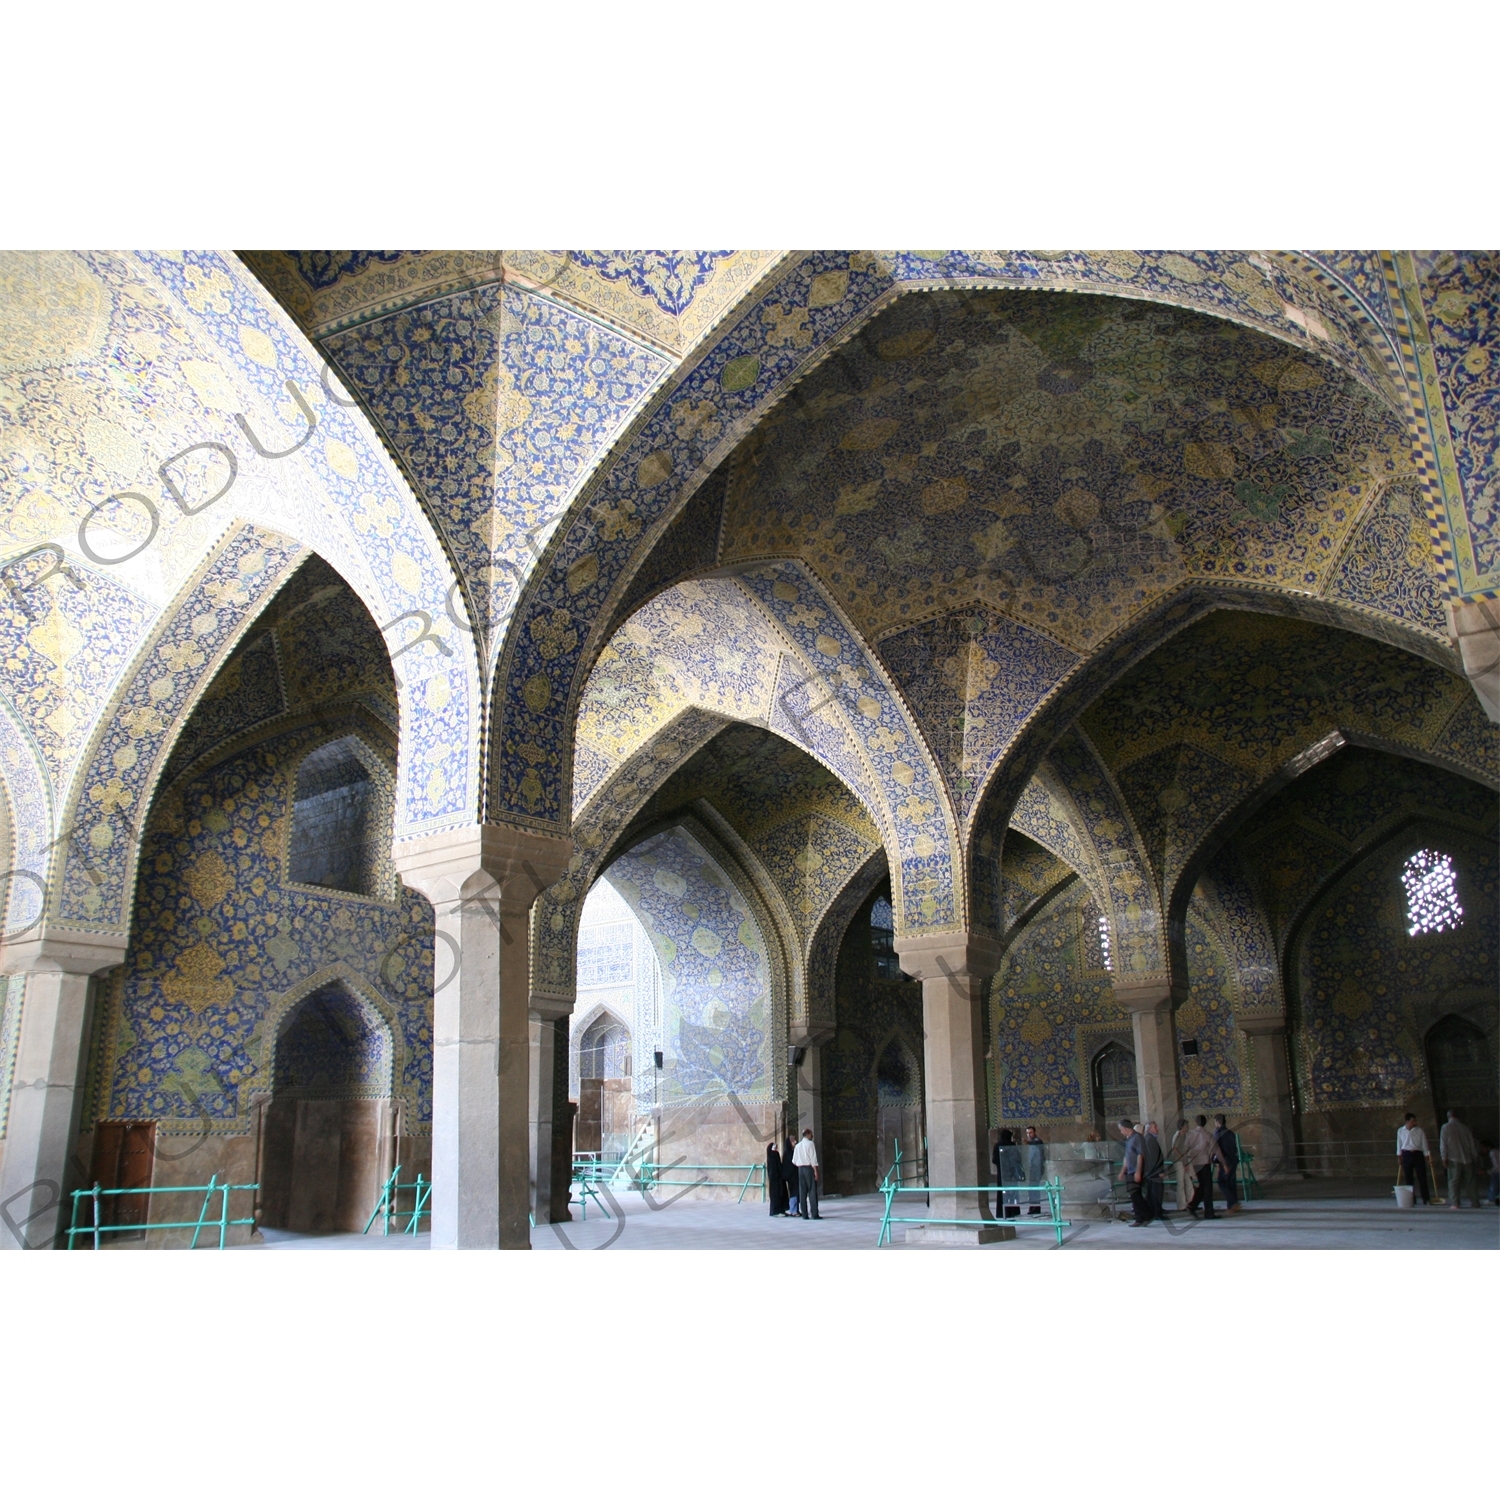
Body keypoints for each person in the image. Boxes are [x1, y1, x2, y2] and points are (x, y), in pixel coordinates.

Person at [1182, 1115, 1228, 1219]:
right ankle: (1208, 1213)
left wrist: (1185, 1163)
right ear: (1205, 1123)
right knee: (1207, 1188)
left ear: (1196, 1122)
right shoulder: (1207, 1135)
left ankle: (1192, 1206)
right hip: (1204, 1163)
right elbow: (1216, 1149)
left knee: (1202, 1187)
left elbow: (1184, 1150)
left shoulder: (1190, 1135)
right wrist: (1224, 1163)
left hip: (1195, 1163)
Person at [1439, 1110, 1483, 1209]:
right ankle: (1475, 1203)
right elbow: (1472, 1144)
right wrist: (1475, 1156)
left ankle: (1455, 1203)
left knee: (1453, 1182)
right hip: (1468, 1158)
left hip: (1453, 1158)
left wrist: (1444, 1157)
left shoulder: (1445, 1127)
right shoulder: (1465, 1128)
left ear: (1448, 1116)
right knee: (1470, 1182)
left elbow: (1443, 1144)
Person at [1117, 1119, 1150, 1226]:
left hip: (1135, 1171)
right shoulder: (1129, 1139)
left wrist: (1138, 1171)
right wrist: (1122, 1171)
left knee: (1136, 1195)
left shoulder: (1138, 1138)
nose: (1121, 1132)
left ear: (1126, 1128)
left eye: (1121, 1129)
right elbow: (1127, 1157)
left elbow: (1140, 1155)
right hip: (1130, 1171)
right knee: (1134, 1195)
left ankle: (1145, 1216)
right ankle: (1141, 1217)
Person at [1396, 1113, 1434, 1204]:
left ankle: (1426, 1198)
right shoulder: (1401, 1131)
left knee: (1422, 1177)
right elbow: (1399, 1144)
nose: (1414, 1123)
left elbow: (1424, 1144)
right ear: (1407, 1121)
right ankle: (1411, 1199)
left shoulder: (1419, 1131)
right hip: (1406, 1154)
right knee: (1409, 1178)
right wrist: (1399, 1156)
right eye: (1412, 1121)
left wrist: (1427, 1156)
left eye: (1415, 1121)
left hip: (1418, 1154)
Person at [1213, 1114, 1242, 1214]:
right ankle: (1232, 1207)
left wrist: (1216, 1162)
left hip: (1225, 1161)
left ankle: (1233, 1202)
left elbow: (1217, 1149)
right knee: (1231, 1183)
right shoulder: (1231, 1133)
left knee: (1221, 1182)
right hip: (1233, 1160)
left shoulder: (1218, 1133)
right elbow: (1234, 1149)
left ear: (1217, 1122)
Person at [792, 1128, 821, 1219]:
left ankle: (804, 1214)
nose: (812, 1136)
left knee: (802, 1192)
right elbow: (813, 1159)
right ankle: (814, 1214)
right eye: (811, 1134)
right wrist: (816, 1171)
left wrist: (801, 1165)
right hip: (809, 1168)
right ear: (808, 1134)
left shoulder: (798, 1146)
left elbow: (794, 1161)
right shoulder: (810, 1144)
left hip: (800, 1169)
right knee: (812, 1191)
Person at [993, 1129, 1023, 1218]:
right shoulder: (1012, 1145)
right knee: (1013, 1193)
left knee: (1003, 1193)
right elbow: (1017, 1159)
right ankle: (1013, 1212)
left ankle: (1002, 1213)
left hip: (1002, 1174)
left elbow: (994, 1160)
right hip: (1012, 1174)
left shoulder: (997, 1145)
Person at [1143, 1122, 1168, 1222]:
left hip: (1151, 1172)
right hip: (1154, 1173)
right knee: (1156, 1193)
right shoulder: (1150, 1140)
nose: (1157, 1128)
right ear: (1149, 1129)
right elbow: (1154, 1158)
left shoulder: (1150, 1139)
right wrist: (1159, 1171)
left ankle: (1154, 1211)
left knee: (1153, 1193)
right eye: (1155, 1127)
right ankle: (1157, 1213)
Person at [1023, 1126, 1047, 1216]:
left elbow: (1036, 1143)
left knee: (1034, 1187)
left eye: (1031, 1133)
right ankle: (1033, 1206)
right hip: (1033, 1167)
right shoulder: (1032, 1143)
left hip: (1038, 1167)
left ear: (1035, 1132)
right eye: (1028, 1133)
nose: (1029, 1135)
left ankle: (1035, 1207)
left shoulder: (1037, 1141)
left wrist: (1028, 1142)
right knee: (1032, 1188)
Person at [766, 1139, 788, 1216]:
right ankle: (776, 1211)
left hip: (779, 1179)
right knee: (776, 1195)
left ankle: (781, 1210)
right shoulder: (772, 1156)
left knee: (781, 1194)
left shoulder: (774, 1155)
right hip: (775, 1180)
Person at [783, 1136, 800, 1217]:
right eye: (793, 1141)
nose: (795, 1142)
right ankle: (793, 1210)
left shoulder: (792, 1152)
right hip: (791, 1176)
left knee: (796, 1192)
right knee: (794, 1192)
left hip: (795, 1175)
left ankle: (796, 1209)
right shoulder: (787, 1153)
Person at [1487, 1142, 1500, 1207]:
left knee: (1494, 1185)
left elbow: (1497, 1165)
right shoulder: (1497, 1151)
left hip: (1497, 1171)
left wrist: (1489, 1172)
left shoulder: (1492, 1152)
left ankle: (1492, 1199)